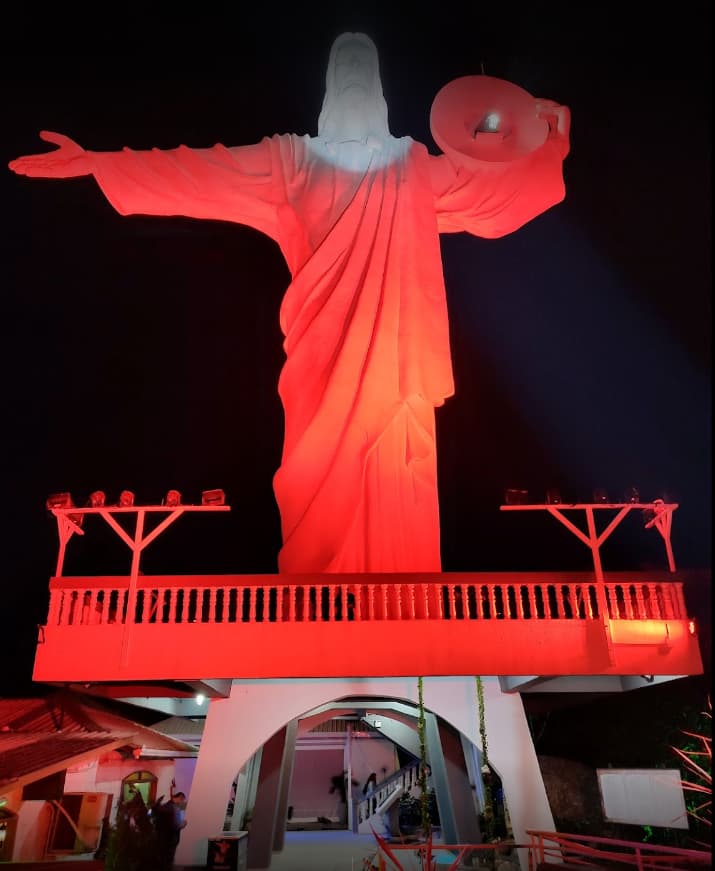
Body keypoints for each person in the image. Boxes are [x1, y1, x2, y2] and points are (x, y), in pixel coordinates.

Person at [8, 33, 569, 575]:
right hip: (321, 365)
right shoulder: (289, 161)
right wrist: (98, 163)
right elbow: (195, 171)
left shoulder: (413, 166)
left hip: (397, 367)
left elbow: (497, 194)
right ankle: (321, 596)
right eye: (343, 65)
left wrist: (548, 138)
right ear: (327, 85)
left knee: (398, 473)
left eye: (363, 66)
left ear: (380, 90)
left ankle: (407, 597)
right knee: (319, 477)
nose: (353, 75)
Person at [155, 784, 187, 871]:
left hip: (161, 838)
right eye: (182, 800)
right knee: (169, 860)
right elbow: (176, 825)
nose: (182, 803)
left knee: (163, 859)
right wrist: (183, 824)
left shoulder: (165, 806)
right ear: (180, 797)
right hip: (171, 839)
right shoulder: (174, 808)